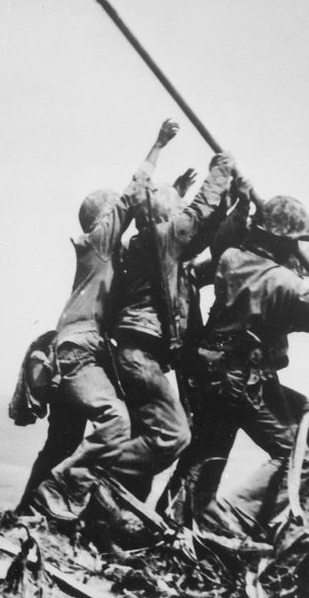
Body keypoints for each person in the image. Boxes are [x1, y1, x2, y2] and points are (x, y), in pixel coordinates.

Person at [159, 195, 309, 537]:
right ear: (284, 242)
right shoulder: (286, 285)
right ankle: (235, 520)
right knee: (304, 456)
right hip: (243, 381)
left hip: (212, 370)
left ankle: (175, 517)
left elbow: (198, 273)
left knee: (209, 451)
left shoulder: (231, 258)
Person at [27, 118, 178, 522]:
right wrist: (158, 146)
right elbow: (130, 197)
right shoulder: (99, 243)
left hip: (76, 352)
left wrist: (172, 192)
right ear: (103, 220)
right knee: (116, 421)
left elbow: (143, 216)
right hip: (80, 350)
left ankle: (28, 512)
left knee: (61, 440)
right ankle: (63, 490)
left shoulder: (104, 256)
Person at [106, 150, 237, 500]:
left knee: (147, 440)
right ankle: (90, 473)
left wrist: (235, 207)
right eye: (175, 208)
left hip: (142, 356)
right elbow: (197, 217)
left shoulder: (157, 252)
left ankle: (117, 512)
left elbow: (208, 236)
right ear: (165, 214)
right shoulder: (162, 237)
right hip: (142, 357)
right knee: (172, 435)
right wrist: (220, 172)